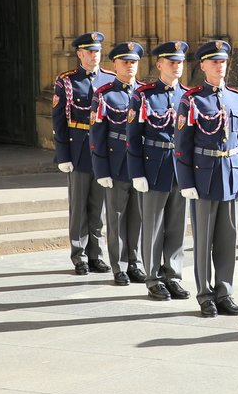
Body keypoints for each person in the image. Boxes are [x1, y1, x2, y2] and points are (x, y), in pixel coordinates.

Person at [174, 40, 238, 318]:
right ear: (203, 66)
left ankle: (225, 292)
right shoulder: (192, 99)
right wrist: (186, 182)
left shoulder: (236, 98)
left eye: (223, 62)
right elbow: (181, 143)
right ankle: (205, 295)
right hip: (203, 177)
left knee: (227, 239)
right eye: (214, 62)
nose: (220, 66)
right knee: (204, 240)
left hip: (230, 176)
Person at [128, 40, 191, 301]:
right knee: (153, 226)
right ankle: (153, 277)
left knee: (176, 225)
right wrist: (137, 172)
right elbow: (132, 137)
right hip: (154, 165)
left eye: (180, 62)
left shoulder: (188, 96)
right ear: (159, 64)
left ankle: (173, 275)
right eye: (172, 62)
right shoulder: (143, 95)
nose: (177, 67)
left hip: (180, 168)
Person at [53, 32, 115, 275]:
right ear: (79, 54)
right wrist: (63, 155)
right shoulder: (67, 81)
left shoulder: (110, 80)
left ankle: (96, 254)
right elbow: (59, 121)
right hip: (78, 148)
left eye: (97, 51)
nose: (94, 55)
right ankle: (79, 255)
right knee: (78, 205)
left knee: (98, 206)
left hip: (102, 151)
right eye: (89, 52)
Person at [90, 41, 146, 287]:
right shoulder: (104, 94)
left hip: (141, 164)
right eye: (125, 62)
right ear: (114, 64)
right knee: (116, 217)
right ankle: (118, 266)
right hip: (117, 163)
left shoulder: (145, 92)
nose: (130, 66)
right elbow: (97, 135)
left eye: (133, 62)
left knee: (137, 217)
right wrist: (101, 169)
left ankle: (134, 262)